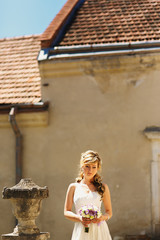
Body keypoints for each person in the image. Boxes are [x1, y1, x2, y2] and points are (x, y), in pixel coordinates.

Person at [64, 150, 112, 240]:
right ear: (82, 166)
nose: (90, 170)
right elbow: (66, 212)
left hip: (99, 230)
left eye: (94, 167)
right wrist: (80, 218)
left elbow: (109, 212)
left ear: (98, 168)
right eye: (87, 166)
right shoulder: (73, 187)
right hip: (81, 230)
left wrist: (102, 218)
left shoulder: (103, 187)